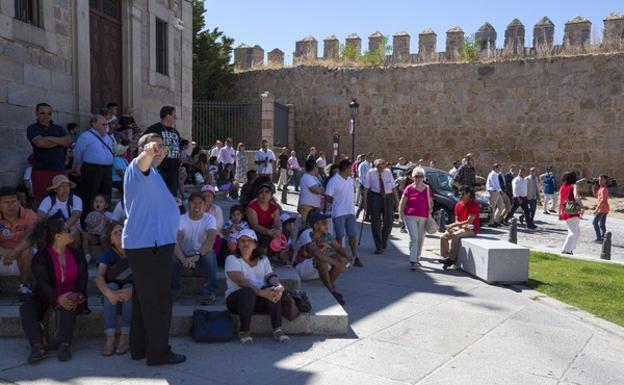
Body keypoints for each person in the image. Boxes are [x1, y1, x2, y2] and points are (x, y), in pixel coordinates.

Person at [122, 133, 185, 366]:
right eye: (155, 146)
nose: (160, 151)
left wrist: (170, 204)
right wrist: (148, 152)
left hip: (150, 245)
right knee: (158, 301)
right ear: (143, 149)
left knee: (143, 300)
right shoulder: (138, 166)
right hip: (150, 246)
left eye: (162, 147)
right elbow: (143, 163)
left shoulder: (152, 174)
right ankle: (159, 353)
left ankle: (139, 348)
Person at [20, 217, 88, 364]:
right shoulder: (41, 257)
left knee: (69, 302)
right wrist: (58, 298)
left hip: (73, 295)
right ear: (57, 236)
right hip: (47, 296)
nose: (71, 232)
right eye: (67, 230)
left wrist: (79, 295)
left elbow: (83, 280)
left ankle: (65, 345)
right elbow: (42, 284)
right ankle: (38, 346)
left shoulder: (77, 254)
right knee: (26, 309)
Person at [224, 229, 289, 345]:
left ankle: (278, 329)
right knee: (248, 291)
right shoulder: (231, 259)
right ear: (238, 244)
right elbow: (241, 281)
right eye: (242, 240)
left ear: (255, 245)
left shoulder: (263, 259)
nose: (246, 243)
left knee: (273, 290)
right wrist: (260, 292)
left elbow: (270, 276)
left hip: (258, 299)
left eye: (249, 241)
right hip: (237, 301)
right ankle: (244, 331)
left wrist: (278, 285)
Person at [292, 211, 348, 305]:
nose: (327, 224)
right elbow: (317, 254)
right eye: (324, 222)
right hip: (300, 269)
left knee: (340, 259)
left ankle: (329, 284)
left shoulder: (325, 235)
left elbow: (338, 248)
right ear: (315, 225)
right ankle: (331, 290)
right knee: (323, 260)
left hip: (314, 268)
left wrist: (347, 257)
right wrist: (336, 263)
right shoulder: (307, 234)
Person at [172, 192, 218, 304]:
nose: (197, 206)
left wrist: (198, 255)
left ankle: (209, 292)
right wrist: (183, 259)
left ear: (205, 206)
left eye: (200, 203)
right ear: (188, 205)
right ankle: (174, 289)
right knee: (171, 255)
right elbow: (175, 240)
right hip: (184, 255)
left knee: (209, 254)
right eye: (193, 203)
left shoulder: (210, 218)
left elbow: (211, 238)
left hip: (201, 254)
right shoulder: (181, 219)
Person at [95, 223, 133, 356]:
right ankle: (110, 338)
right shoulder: (107, 254)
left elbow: (143, 275)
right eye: (115, 232)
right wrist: (108, 293)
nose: (119, 234)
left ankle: (125, 337)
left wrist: (132, 290)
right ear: (110, 239)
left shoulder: (134, 252)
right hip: (113, 294)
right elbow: (99, 276)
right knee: (111, 286)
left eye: (122, 231)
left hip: (130, 292)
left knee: (128, 288)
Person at [72, 114, 114, 227]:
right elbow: (78, 153)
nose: (106, 126)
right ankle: (88, 225)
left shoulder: (108, 137)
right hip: (91, 170)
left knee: (106, 196)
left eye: (106, 124)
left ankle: (104, 224)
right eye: (103, 124)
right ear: (94, 124)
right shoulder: (86, 136)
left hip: (107, 170)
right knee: (90, 196)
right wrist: (78, 167)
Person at [27, 103, 73, 203]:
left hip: (60, 169)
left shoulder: (59, 128)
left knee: (63, 200)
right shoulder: (32, 128)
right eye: (42, 113)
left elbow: (69, 141)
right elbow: (40, 143)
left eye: (49, 113)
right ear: (36, 114)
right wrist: (60, 141)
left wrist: (49, 139)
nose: (46, 116)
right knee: (42, 201)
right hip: (41, 170)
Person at [0, 186, 38, 299]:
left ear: (19, 201)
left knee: (27, 249)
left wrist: (15, 251)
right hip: (3, 257)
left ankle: (24, 286)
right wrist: (4, 252)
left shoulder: (29, 214)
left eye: (14, 201)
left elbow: (31, 237)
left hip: (25, 258)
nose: (11, 205)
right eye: (6, 202)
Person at [325, 159, 362, 267]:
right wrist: (336, 202)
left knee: (353, 235)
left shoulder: (350, 180)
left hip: (350, 212)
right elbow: (328, 196)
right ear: (345, 169)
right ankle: (339, 257)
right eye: (350, 168)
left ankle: (355, 257)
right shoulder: (334, 180)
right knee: (340, 236)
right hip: (339, 212)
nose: (352, 170)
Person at [143, 106, 184, 197]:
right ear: (167, 116)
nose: (175, 118)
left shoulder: (175, 131)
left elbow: (178, 146)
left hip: (173, 169)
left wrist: (180, 159)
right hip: (159, 168)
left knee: (173, 195)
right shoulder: (154, 129)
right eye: (174, 115)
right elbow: (144, 143)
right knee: (158, 193)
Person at [398, 167, 433, 270]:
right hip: (410, 216)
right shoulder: (409, 188)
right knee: (414, 238)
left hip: (423, 217)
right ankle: (413, 260)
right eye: (416, 176)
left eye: (421, 176)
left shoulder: (427, 189)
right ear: (413, 177)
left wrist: (430, 207)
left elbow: (430, 202)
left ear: (423, 177)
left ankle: (417, 258)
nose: (419, 178)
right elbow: (402, 203)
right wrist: (400, 217)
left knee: (420, 239)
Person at [438, 186, 480, 270]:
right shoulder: (458, 204)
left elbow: (469, 221)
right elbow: (457, 219)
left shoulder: (474, 205)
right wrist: (455, 226)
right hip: (461, 227)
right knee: (443, 236)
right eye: (459, 194)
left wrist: (453, 225)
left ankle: (451, 259)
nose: (460, 196)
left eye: (463, 194)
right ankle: (447, 257)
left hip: (471, 229)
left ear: (468, 194)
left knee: (455, 235)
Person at [363, 159, 398, 254]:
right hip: (375, 196)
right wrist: (365, 203)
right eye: (379, 167)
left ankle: (383, 241)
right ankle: (378, 246)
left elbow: (393, 187)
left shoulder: (388, 172)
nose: (381, 169)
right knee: (376, 223)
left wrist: (397, 200)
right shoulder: (370, 173)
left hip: (388, 197)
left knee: (389, 222)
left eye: (383, 166)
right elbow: (366, 189)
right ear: (376, 166)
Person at [246, 183, 282, 255]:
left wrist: (279, 230)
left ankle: (278, 253)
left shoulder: (274, 207)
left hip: (269, 231)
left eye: (267, 192)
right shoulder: (252, 207)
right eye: (261, 192)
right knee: (264, 236)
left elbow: (277, 222)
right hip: (255, 232)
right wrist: (268, 232)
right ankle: (262, 253)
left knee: (284, 231)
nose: (264, 194)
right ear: (257, 195)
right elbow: (255, 225)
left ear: (271, 195)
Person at [559, 171, 582, 255]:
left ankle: (570, 248)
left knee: (577, 231)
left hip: (565, 211)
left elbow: (561, 201)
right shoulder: (574, 186)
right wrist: (582, 206)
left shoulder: (562, 187)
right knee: (573, 232)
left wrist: (559, 213)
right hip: (572, 211)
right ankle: (566, 249)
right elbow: (576, 197)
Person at [298, 159, 323, 226]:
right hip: (307, 207)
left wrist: (320, 189)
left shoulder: (315, 178)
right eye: (317, 167)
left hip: (315, 207)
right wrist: (320, 189)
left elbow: (322, 189)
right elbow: (316, 190)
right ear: (314, 168)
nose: (318, 169)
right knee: (306, 227)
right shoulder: (307, 177)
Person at [592, 174, 610, 242]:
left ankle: (599, 238)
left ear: (605, 180)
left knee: (594, 222)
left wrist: (596, 209)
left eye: (601, 180)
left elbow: (602, 200)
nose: (600, 181)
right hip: (605, 209)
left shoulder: (603, 189)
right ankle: (604, 238)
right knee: (602, 224)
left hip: (602, 209)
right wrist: (593, 188)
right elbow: (596, 196)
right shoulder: (601, 188)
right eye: (599, 180)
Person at [356, 152, 373, 218]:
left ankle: (367, 216)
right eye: (370, 157)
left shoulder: (371, 164)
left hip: (369, 186)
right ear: (367, 157)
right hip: (363, 185)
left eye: (372, 157)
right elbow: (361, 176)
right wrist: (366, 185)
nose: (371, 158)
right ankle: (357, 213)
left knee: (369, 200)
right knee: (364, 199)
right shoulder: (362, 165)